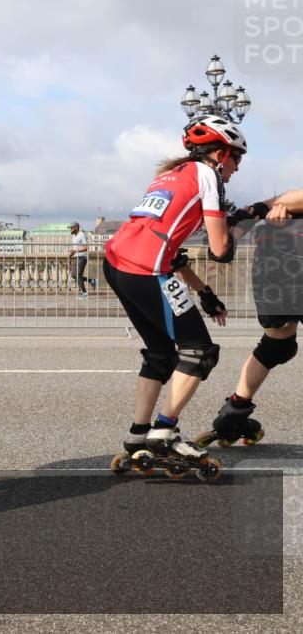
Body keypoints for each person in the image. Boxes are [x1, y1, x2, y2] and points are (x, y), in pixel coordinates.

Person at [103, 114, 245, 473]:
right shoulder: (208, 175)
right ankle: (163, 433)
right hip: (147, 270)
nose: (237, 168)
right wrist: (240, 224)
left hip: (118, 262)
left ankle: (138, 434)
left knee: (160, 353)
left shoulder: (171, 175)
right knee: (198, 352)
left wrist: (203, 292)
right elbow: (220, 249)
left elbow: (170, 248)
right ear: (220, 153)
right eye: (237, 158)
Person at [197, 190, 303, 447]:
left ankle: (233, 414)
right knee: (276, 344)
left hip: (273, 260)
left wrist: (251, 214)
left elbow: (283, 201)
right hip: (288, 257)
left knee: (277, 344)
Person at [68, 221, 95, 298]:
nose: (70, 229)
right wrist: (71, 254)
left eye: (71, 228)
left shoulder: (82, 234)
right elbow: (75, 248)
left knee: (78, 275)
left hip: (82, 257)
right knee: (73, 275)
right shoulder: (74, 236)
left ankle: (84, 294)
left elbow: (85, 247)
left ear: (76, 227)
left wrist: (75, 251)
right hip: (75, 257)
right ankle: (91, 281)